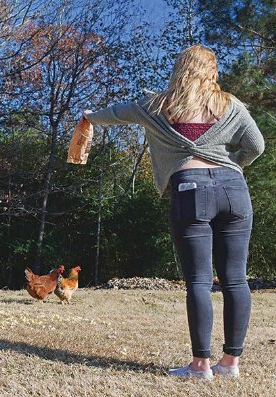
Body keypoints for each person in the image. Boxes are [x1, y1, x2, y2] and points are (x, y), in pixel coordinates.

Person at [82, 44, 264, 380]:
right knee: (236, 277)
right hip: (235, 191)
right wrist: (233, 165)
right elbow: (257, 145)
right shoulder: (231, 105)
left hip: (190, 190)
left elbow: (116, 113)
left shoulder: (155, 104)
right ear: (212, 71)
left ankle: (200, 366)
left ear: (179, 68)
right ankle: (230, 364)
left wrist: (90, 118)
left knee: (199, 278)